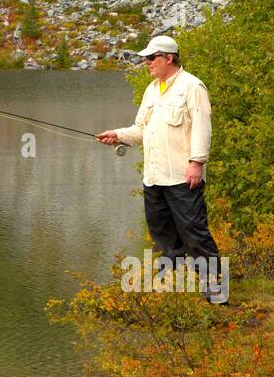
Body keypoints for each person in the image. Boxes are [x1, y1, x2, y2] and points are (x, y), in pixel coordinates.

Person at [96, 35, 227, 303]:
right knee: (163, 236)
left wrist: (197, 163)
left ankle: (216, 290)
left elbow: (203, 127)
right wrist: (118, 135)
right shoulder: (152, 89)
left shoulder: (192, 86)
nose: (146, 63)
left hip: (183, 176)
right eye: (146, 58)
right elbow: (141, 129)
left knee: (195, 233)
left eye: (152, 57)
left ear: (169, 58)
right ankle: (174, 287)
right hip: (154, 178)